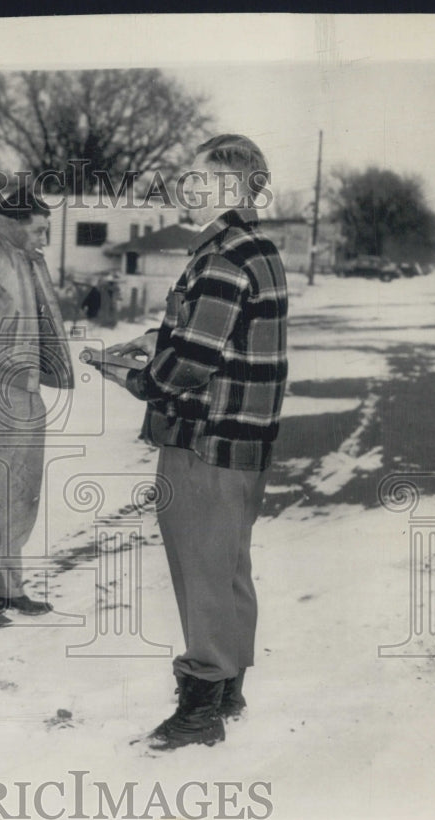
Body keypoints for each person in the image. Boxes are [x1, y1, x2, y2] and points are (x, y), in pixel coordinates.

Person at [102, 135, 288, 749]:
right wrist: (154, 345)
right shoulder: (254, 248)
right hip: (243, 446)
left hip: (204, 444)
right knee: (229, 565)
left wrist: (133, 376)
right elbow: (212, 338)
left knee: (202, 569)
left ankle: (202, 703)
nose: (188, 189)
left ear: (233, 190)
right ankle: (229, 685)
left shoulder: (222, 256)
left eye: (201, 181)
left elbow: (195, 361)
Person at [0, 189, 74, 627]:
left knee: (21, 494)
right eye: (39, 229)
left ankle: (9, 586)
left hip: (28, 398)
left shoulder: (29, 261)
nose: (44, 237)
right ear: (15, 223)